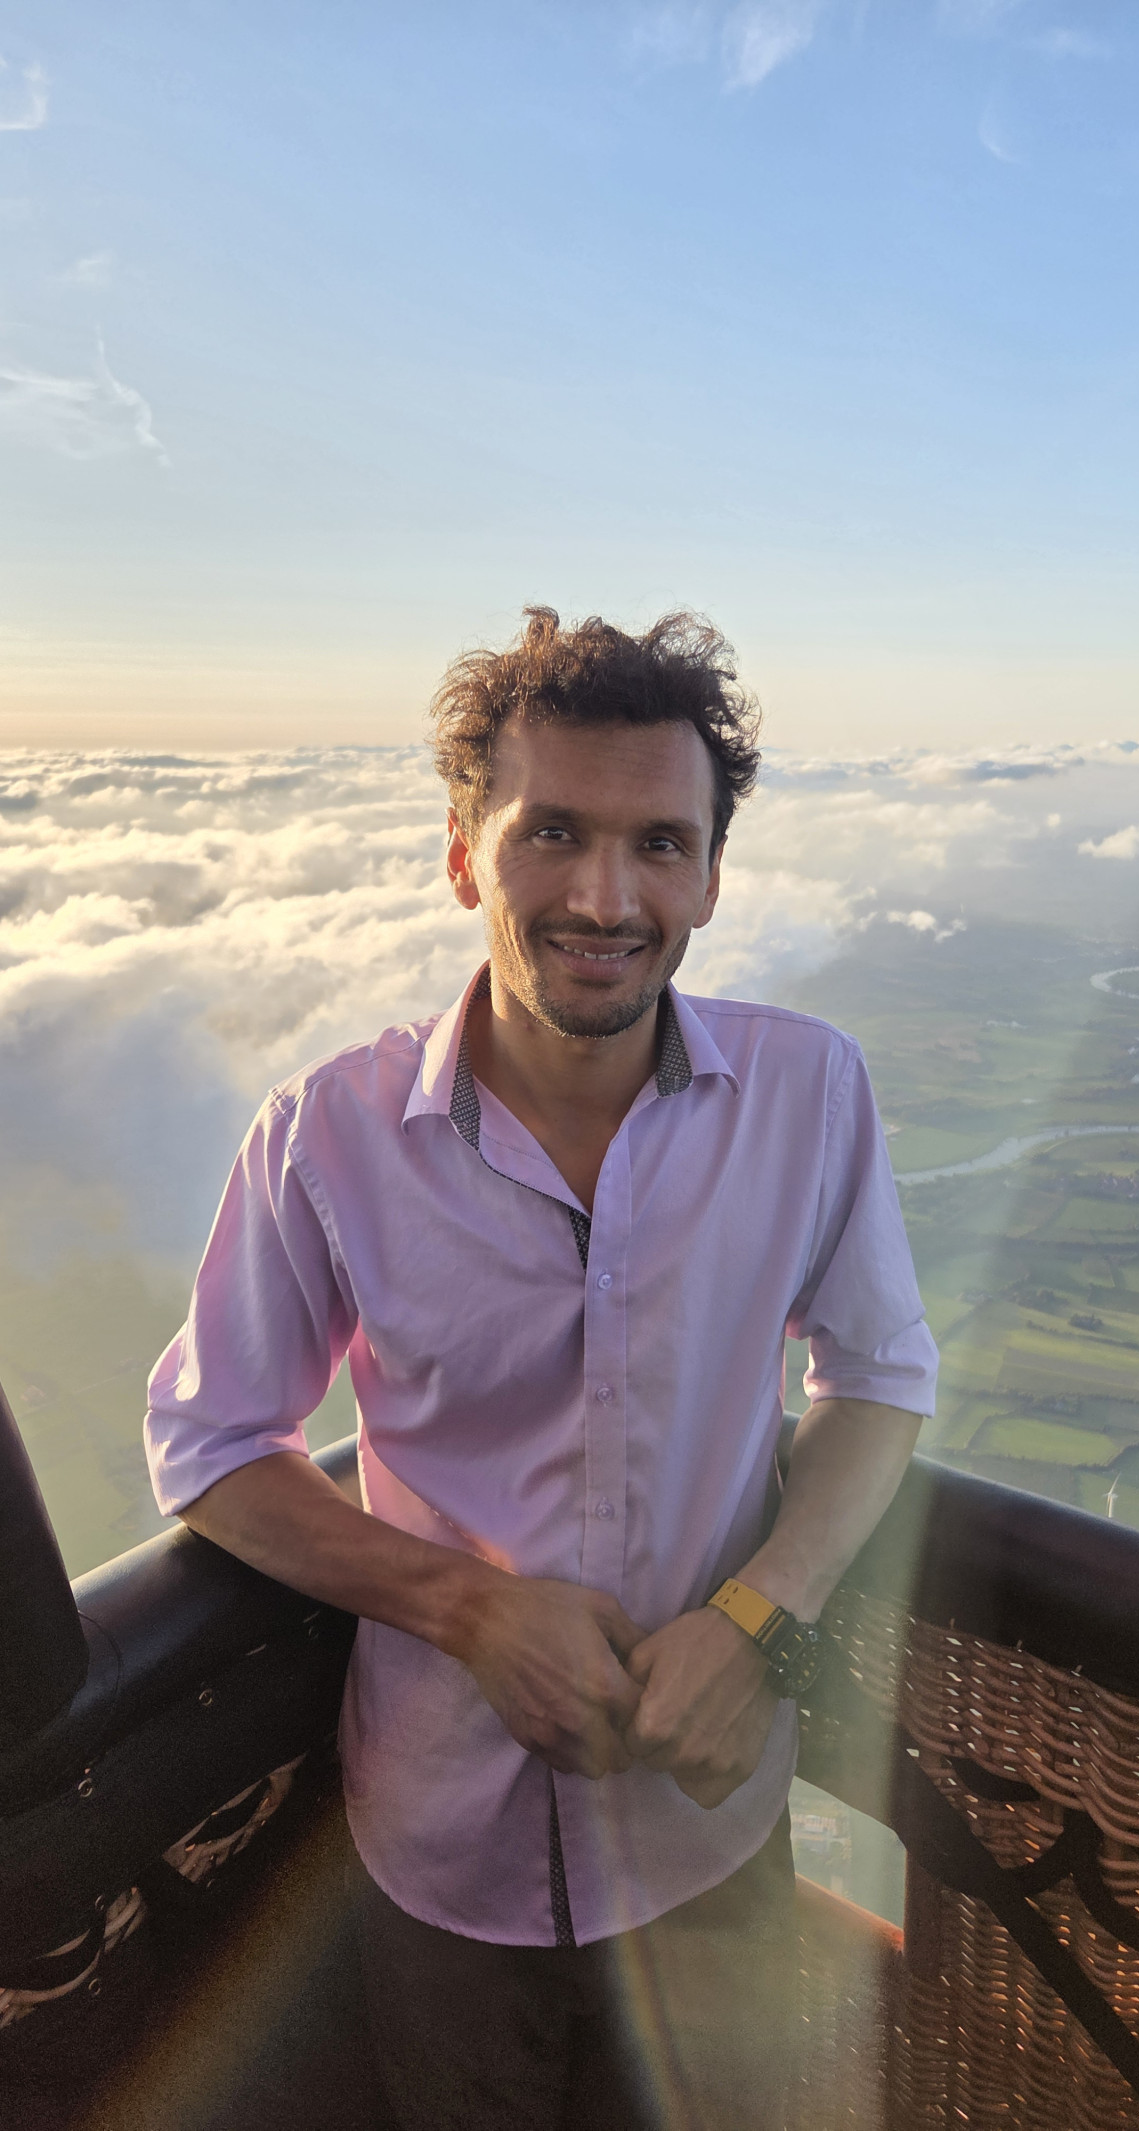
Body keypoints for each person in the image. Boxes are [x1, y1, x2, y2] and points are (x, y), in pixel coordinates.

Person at [144, 608, 937, 2131]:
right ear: (465, 856)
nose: (605, 896)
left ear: (711, 876)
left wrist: (758, 1620)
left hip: (710, 1825)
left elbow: (881, 1375)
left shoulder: (810, 1092)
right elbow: (212, 1442)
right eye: (552, 832)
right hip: (445, 1843)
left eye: (660, 845)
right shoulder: (327, 1137)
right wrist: (471, 1610)